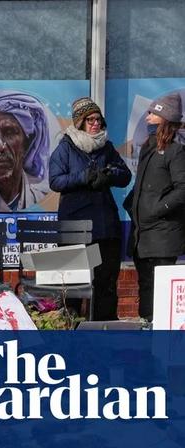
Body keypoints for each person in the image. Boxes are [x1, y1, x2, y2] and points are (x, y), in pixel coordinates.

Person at [49, 97, 131, 320]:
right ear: (79, 122)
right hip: (74, 227)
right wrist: (84, 176)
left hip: (105, 227)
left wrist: (108, 175)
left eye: (98, 119)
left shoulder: (107, 147)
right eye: (90, 119)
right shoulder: (65, 147)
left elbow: (125, 175)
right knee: (72, 286)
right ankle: (71, 331)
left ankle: (103, 331)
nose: (96, 124)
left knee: (105, 283)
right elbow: (55, 181)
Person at [124, 93, 185, 321]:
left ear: (164, 118)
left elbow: (182, 189)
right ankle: (145, 330)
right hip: (143, 233)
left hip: (163, 234)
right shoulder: (149, 147)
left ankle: (156, 339)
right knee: (145, 285)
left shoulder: (176, 151)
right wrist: (132, 204)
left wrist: (157, 208)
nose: (148, 116)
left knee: (158, 290)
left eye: (153, 113)